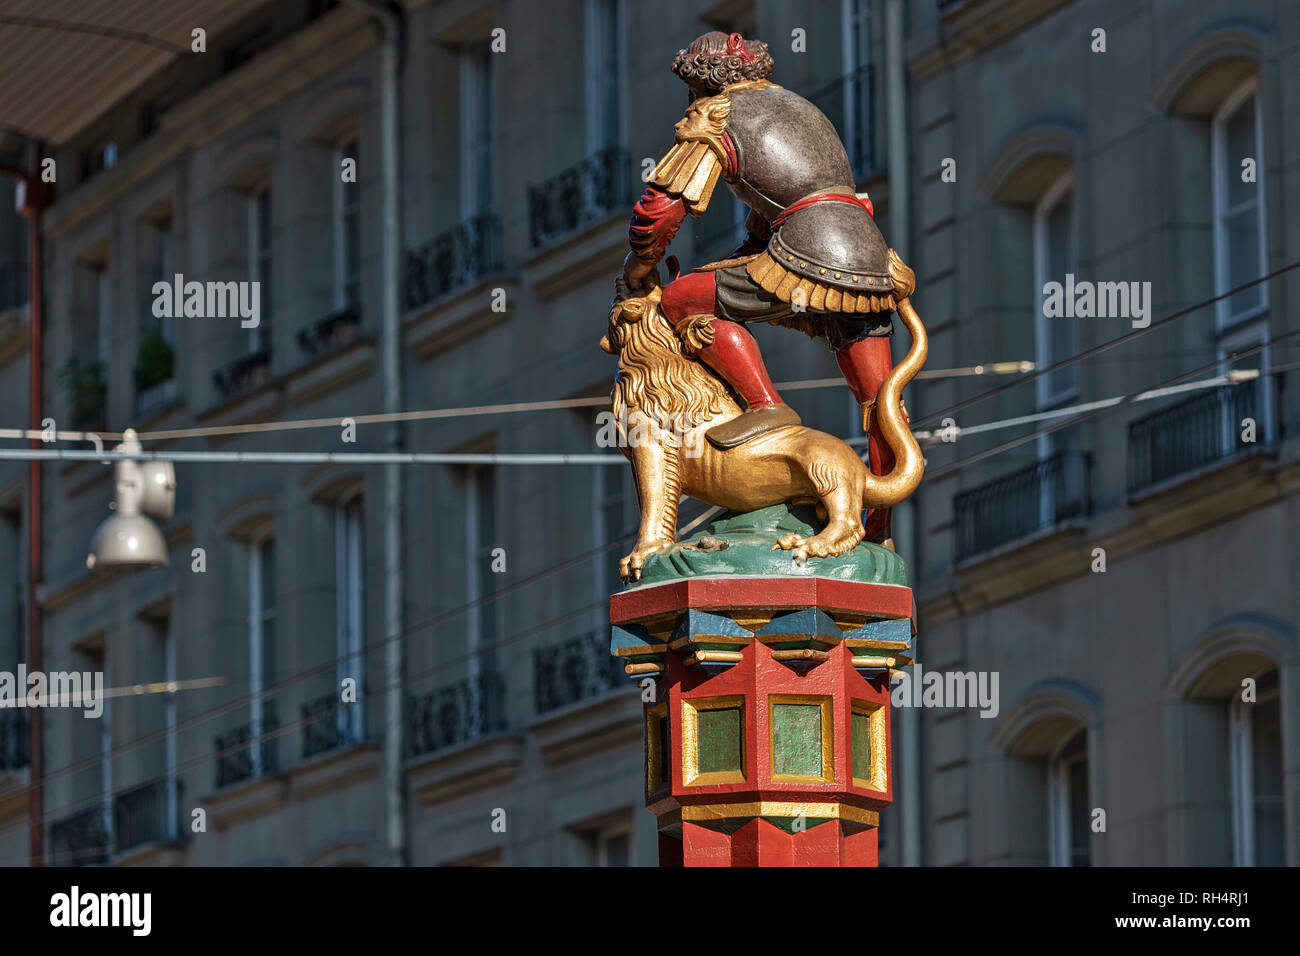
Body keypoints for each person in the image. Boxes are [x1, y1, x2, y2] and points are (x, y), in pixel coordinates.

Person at [624, 30, 906, 543]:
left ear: (702, 83)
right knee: (880, 400)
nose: (688, 103)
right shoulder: (797, 106)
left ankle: (764, 405)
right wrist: (727, 266)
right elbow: (769, 218)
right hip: (868, 254)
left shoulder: (718, 113)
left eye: (690, 90)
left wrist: (641, 264)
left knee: (681, 300)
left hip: (808, 250)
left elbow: (662, 207)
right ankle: (878, 528)